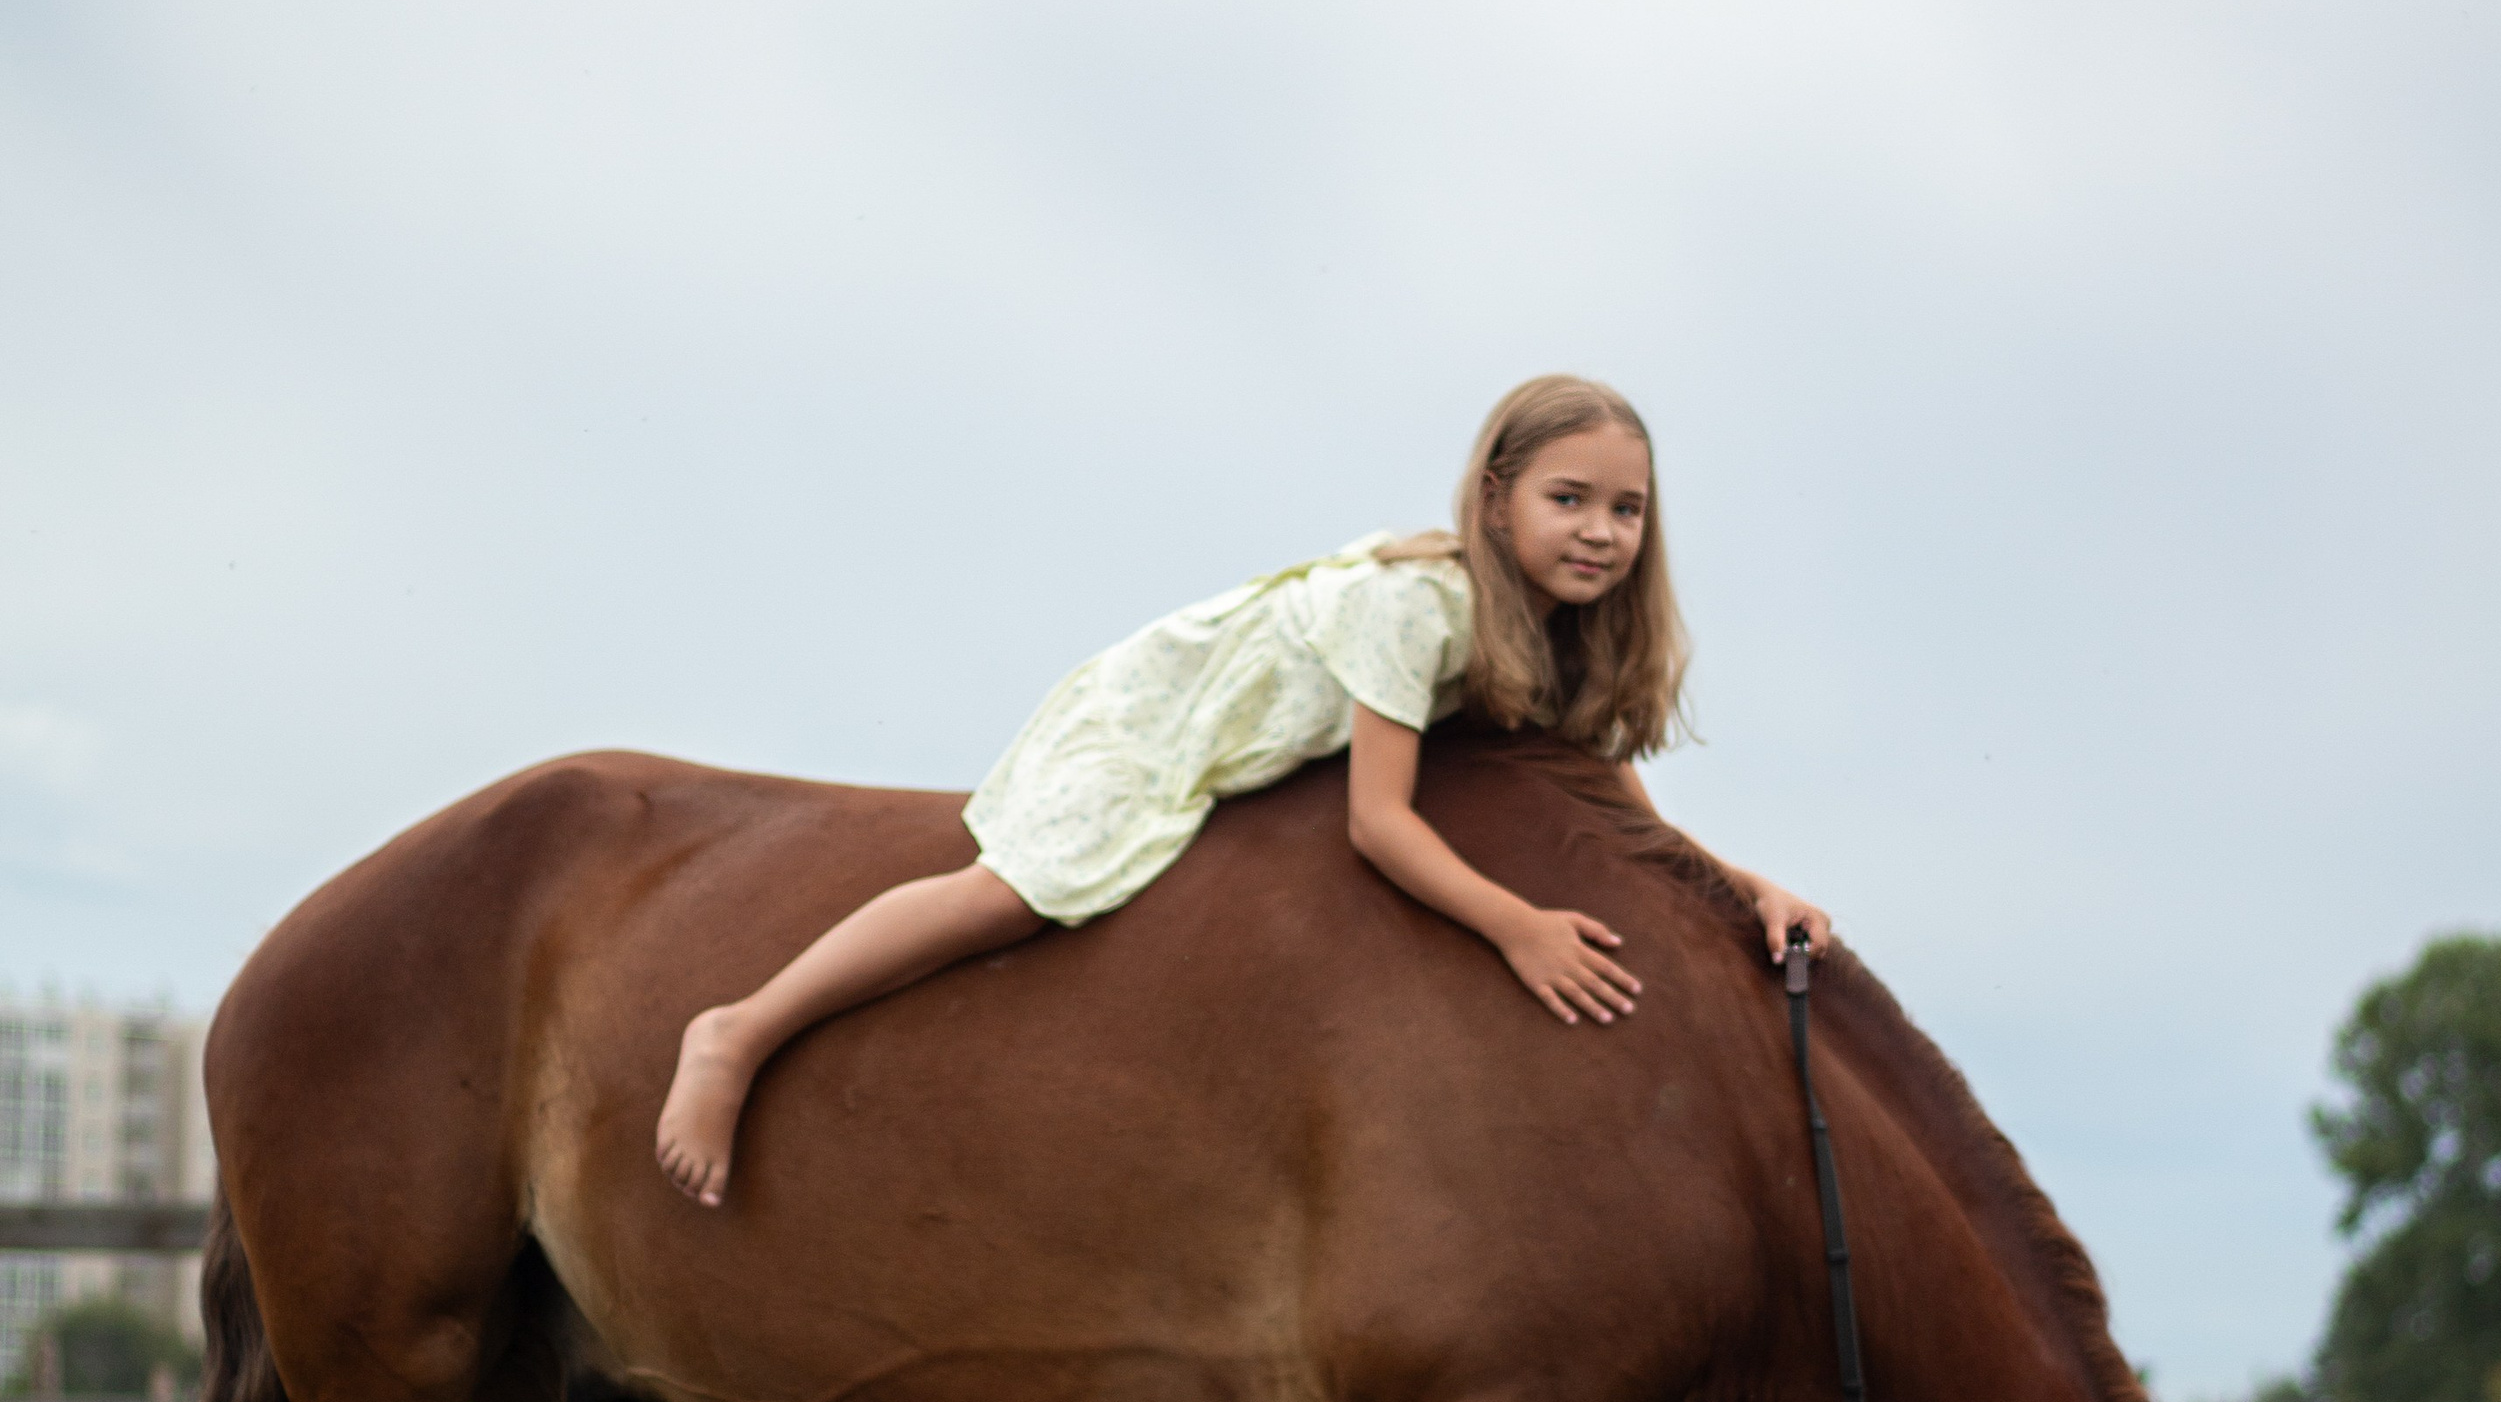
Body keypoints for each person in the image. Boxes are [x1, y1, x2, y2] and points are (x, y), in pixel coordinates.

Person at [654, 373, 1832, 1206]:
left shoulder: (1565, 635)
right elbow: (1378, 821)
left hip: (1257, 734)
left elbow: (1625, 816)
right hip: (1167, 720)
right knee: (1017, 892)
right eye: (1567, 498)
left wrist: (1748, 890)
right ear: (1494, 500)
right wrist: (1515, 925)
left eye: (1625, 508)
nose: (1600, 531)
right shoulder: (1416, 605)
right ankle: (741, 1031)